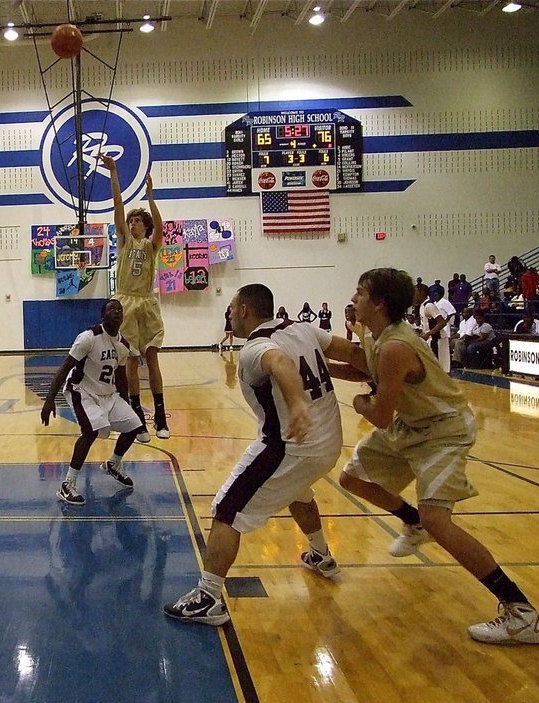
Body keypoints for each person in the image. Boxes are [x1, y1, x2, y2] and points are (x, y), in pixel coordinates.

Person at [329, 267, 539, 644]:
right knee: (352, 479)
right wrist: (313, 370)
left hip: (443, 430)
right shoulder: (377, 335)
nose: (353, 298)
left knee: (439, 521)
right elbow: (363, 367)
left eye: (360, 292)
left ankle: (522, 613)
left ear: (378, 303)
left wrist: (362, 402)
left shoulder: (397, 345)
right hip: (413, 425)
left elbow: (380, 415)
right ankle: (412, 522)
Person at [164, 284, 343, 626]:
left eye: (231, 308)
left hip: (290, 445)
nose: (229, 314)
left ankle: (208, 597)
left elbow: (280, 362)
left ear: (244, 310)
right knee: (297, 492)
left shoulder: (256, 348)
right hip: (329, 443)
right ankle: (320, 554)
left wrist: (296, 403)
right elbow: (350, 352)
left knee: (227, 509)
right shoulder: (302, 328)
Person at [40, 299, 142, 505]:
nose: (117, 312)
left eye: (120, 310)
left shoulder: (123, 345)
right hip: (81, 390)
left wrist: (125, 401)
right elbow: (65, 367)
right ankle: (67, 484)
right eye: (112, 309)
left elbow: (121, 376)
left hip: (107, 394)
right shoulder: (89, 337)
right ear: (102, 315)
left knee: (134, 426)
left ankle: (113, 464)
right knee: (90, 431)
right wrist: (49, 400)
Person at [100, 153, 168, 442]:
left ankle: (161, 417)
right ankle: (138, 416)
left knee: (152, 358)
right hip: (126, 300)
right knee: (130, 359)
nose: (133, 224)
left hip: (147, 302)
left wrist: (151, 196)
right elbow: (118, 205)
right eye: (131, 221)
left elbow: (161, 228)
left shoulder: (151, 246)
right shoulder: (125, 242)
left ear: (145, 226)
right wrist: (114, 173)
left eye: (138, 221)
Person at [415, 282, 450, 373]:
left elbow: (442, 323)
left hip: (437, 340)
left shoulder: (429, 306)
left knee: (439, 370)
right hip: (430, 340)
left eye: (415, 292)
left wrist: (429, 333)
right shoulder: (422, 306)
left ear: (422, 292)